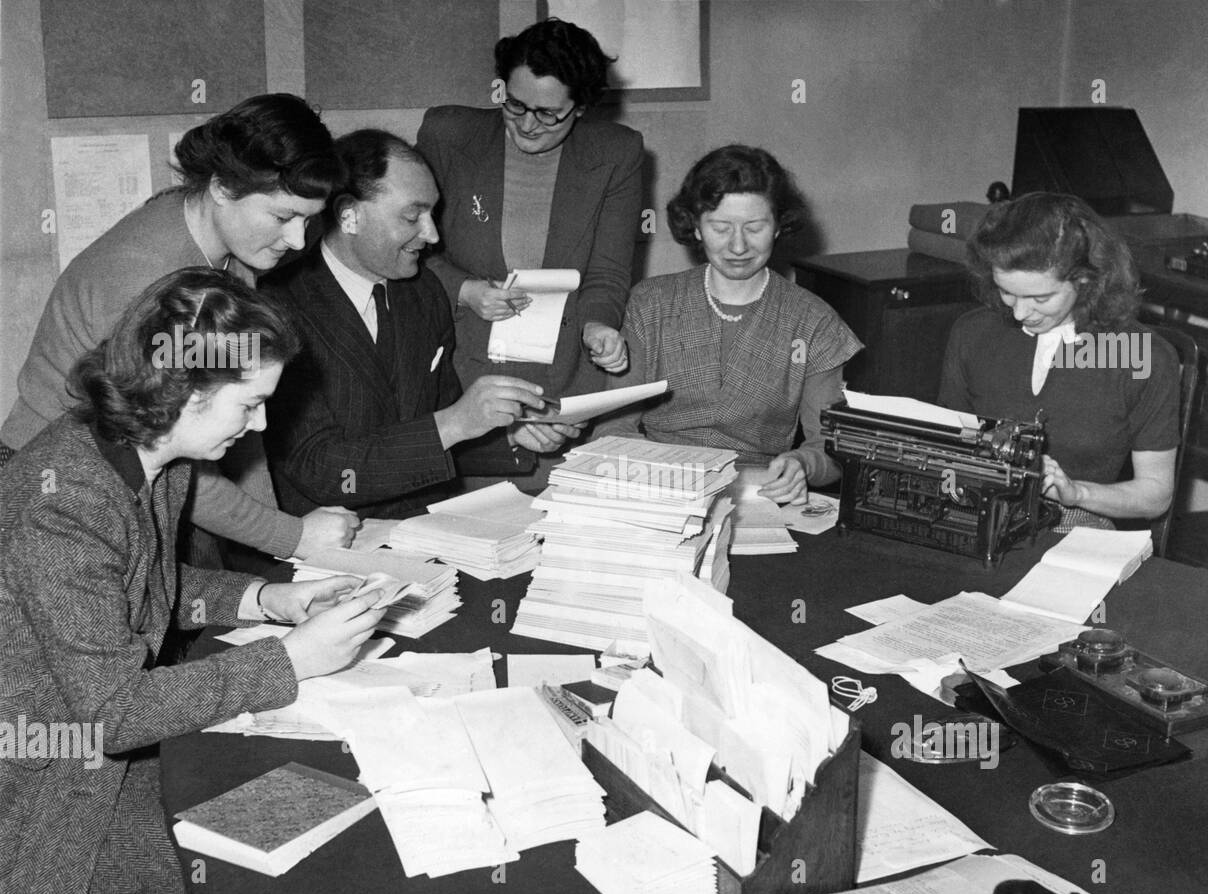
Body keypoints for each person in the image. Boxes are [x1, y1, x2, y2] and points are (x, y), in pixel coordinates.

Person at [0, 269, 388, 894]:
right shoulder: (62, 505)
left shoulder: (152, 454)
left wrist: (272, 599)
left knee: (333, 787)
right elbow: (113, 715)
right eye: (250, 403)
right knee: (308, 851)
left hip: (103, 756)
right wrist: (289, 661)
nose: (262, 421)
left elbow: (146, 587)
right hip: (48, 812)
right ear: (186, 393)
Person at [0, 93, 357, 558]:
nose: (296, 240)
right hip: (57, 487)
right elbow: (167, 432)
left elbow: (239, 412)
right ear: (223, 188)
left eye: (307, 221)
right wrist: (289, 537)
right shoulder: (149, 280)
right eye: (283, 216)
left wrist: (284, 545)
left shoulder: (228, 255)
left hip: (143, 477)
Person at [262, 130, 578, 519]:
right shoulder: (275, 307)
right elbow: (324, 472)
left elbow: (439, 426)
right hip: (328, 542)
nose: (432, 235)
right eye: (413, 216)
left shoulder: (425, 292)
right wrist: (454, 423)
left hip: (423, 529)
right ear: (349, 215)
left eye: (432, 214)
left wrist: (510, 434)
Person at [416, 16, 644, 488]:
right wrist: (465, 290)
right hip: (460, 375)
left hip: (560, 381)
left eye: (547, 113)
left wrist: (600, 325)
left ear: (580, 107)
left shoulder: (616, 152)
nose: (526, 123)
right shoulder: (448, 134)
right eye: (514, 104)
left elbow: (607, 272)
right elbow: (410, 250)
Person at [595, 145, 861, 505]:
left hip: (757, 494)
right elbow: (613, 428)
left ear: (779, 226)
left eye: (755, 227)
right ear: (696, 228)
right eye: (721, 228)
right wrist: (655, 471)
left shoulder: (814, 323)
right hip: (657, 485)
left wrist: (803, 463)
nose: (738, 246)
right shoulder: (651, 303)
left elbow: (831, 449)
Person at [938, 191, 1181, 529]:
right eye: (1007, 292)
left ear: (1086, 281)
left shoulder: (1141, 355)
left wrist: (1076, 492)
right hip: (975, 511)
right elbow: (949, 448)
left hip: (1075, 524)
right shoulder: (972, 333)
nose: (1020, 312)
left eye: (1041, 297)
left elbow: (1155, 495)